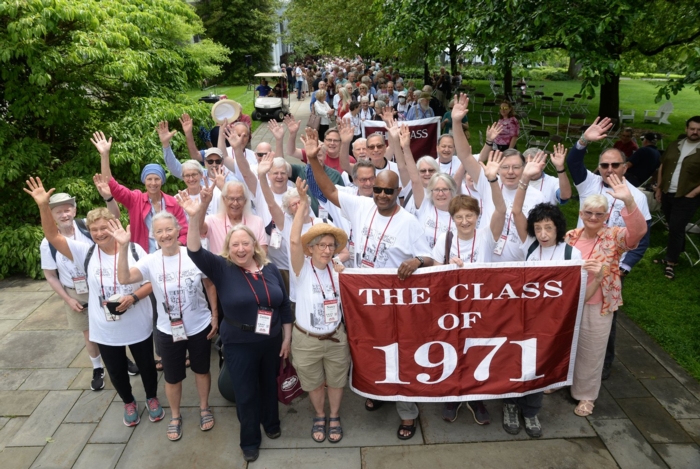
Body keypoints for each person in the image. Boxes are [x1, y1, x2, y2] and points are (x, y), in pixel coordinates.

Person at [304, 127, 434, 440]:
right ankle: (376, 390)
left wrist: (417, 262)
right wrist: (312, 160)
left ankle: (407, 412)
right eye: (377, 190)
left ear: (397, 191)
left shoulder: (409, 223)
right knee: (369, 351)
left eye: (388, 192)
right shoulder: (362, 206)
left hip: (395, 304)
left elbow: (431, 260)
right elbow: (328, 190)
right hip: (363, 300)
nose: (381, 196)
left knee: (400, 356)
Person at [25, 178, 163, 428]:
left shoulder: (134, 251)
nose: (100, 233)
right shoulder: (85, 251)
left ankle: (152, 398)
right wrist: (44, 206)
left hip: (137, 323)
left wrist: (132, 297)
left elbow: (152, 283)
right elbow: (52, 236)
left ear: (115, 226)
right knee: (117, 369)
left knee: (146, 365)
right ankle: (129, 402)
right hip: (105, 327)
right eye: (95, 229)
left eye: (105, 228)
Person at [181, 186, 292, 463]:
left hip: (271, 340)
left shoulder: (269, 269)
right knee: (245, 391)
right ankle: (250, 439)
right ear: (228, 249)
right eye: (235, 245)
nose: (241, 249)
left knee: (269, 383)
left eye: (246, 244)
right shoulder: (222, 268)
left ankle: (272, 422)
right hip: (240, 343)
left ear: (254, 245)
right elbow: (194, 251)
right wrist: (196, 216)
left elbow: (283, 305)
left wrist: (287, 338)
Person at [112, 211, 219, 441]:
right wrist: (122, 247)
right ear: (153, 235)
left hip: (199, 325)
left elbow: (210, 285)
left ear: (178, 229)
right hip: (168, 329)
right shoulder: (151, 261)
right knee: (172, 377)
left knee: (202, 370)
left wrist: (215, 315)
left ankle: (204, 407)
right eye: (159, 231)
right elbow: (124, 279)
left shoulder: (194, 255)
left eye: (168, 229)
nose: (165, 234)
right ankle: (176, 416)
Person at [566, 117, 651, 379]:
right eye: (605, 165)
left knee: (605, 320)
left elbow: (641, 237)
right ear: (599, 167)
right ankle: (568, 363)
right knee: (571, 315)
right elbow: (573, 163)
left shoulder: (636, 196)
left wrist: (624, 269)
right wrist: (583, 141)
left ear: (625, 166)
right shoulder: (589, 183)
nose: (610, 169)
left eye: (616, 164)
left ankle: (601, 367)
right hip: (579, 264)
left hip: (611, 269)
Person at [564, 179, 647, 417]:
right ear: (581, 214)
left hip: (600, 302)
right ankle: (561, 379)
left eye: (599, 214)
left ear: (606, 216)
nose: (593, 217)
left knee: (592, 348)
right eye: (588, 213)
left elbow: (638, 233)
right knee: (566, 344)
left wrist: (629, 201)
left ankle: (586, 395)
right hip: (571, 300)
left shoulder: (615, 236)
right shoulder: (571, 236)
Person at [39, 187, 121, 391]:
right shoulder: (47, 243)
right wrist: (68, 299)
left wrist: (108, 197)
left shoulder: (87, 227)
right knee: (89, 332)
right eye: (58, 212)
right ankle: (97, 367)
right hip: (76, 291)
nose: (64, 214)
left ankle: (120, 360)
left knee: (113, 323)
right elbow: (50, 276)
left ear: (74, 210)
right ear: (52, 216)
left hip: (100, 285)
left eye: (67, 209)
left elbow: (114, 218)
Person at [289, 178, 350, 443]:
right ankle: (319, 414)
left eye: (330, 246)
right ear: (311, 248)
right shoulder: (301, 270)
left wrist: (344, 276)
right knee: (312, 382)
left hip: (336, 337)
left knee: (336, 380)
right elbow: (293, 242)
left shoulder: (339, 271)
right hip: (307, 339)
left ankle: (334, 416)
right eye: (321, 246)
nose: (326, 250)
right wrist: (303, 205)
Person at [93, 131, 189, 254]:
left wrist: (173, 246)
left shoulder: (172, 202)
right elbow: (111, 185)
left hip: (169, 253)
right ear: (144, 181)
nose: (153, 183)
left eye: (157, 179)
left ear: (162, 181)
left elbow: (184, 231)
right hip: (142, 255)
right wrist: (104, 155)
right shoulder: (135, 199)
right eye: (149, 179)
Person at [654, 116, 700, 279]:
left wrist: (693, 193)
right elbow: (662, 166)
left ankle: (671, 262)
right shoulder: (675, 145)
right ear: (686, 129)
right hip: (667, 193)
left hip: (686, 197)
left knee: (675, 228)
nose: (695, 132)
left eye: (699, 130)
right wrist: (659, 188)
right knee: (673, 227)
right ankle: (677, 255)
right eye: (692, 128)